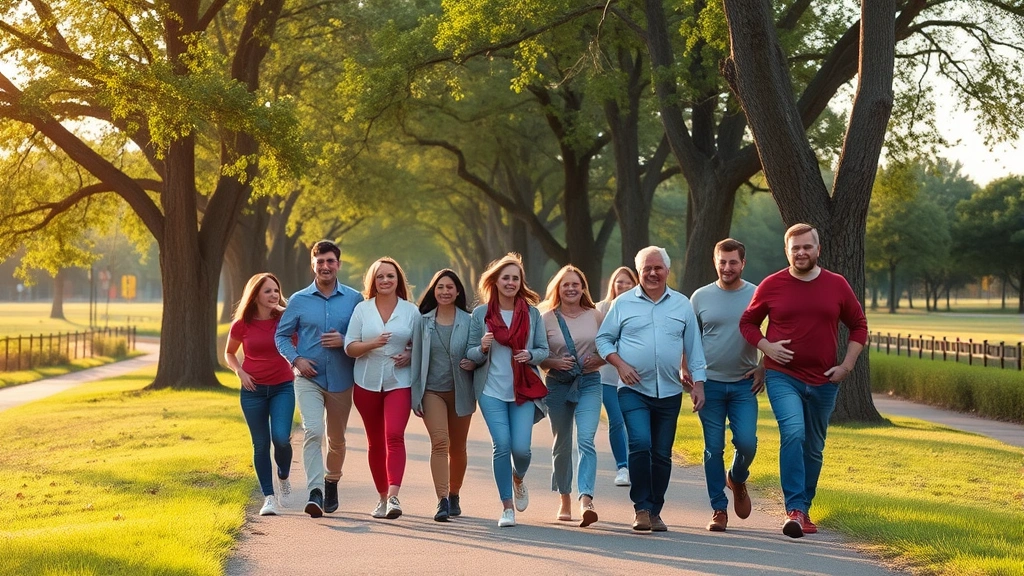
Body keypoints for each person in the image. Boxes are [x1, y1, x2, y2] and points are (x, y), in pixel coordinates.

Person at [739, 223, 868, 539]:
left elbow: (859, 326)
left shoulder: (836, 285)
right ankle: (794, 509)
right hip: (783, 376)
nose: (801, 252)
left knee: (814, 447)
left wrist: (846, 366)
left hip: (825, 380)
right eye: (795, 247)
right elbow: (748, 323)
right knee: (794, 433)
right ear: (787, 251)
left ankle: (805, 509)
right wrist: (766, 346)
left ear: (817, 249)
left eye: (807, 246)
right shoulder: (772, 285)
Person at [596, 246, 707, 533]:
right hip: (633, 389)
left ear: (668, 271)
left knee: (661, 453)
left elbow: (694, 349)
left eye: (658, 268)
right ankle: (641, 508)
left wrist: (699, 385)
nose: (653, 273)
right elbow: (604, 340)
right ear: (639, 272)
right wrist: (620, 365)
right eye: (647, 268)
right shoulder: (622, 304)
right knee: (641, 443)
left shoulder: (682, 304)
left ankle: (655, 510)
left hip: (670, 392)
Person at [276, 240, 362, 518]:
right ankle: (315, 491)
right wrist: (296, 360)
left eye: (330, 261)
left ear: (338, 264)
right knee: (313, 431)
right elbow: (281, 336)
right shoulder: (299, 300)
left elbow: (363, 336)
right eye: (320, 261)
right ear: (312, 265)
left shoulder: (354, 299)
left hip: (341, 379)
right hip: (308, 378)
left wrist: (345, 340)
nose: (325, 266)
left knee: (336, 440)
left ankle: (331, 480)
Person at [466, 253, 549, 528]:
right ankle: (507, 507)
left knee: (521, 450)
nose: (511, 282)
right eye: (506, 278)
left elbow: (543, 350)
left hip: (522, 389)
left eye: (515, 278)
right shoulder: (481, 314)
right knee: (501, 445)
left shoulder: (532, 313)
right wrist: (483, 347)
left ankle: (518, 478)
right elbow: (470, 352)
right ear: (495, 281)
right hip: (491, 390)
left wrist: (531, 355)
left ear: (520, 282)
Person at [690, 239, 764, 532]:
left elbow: (778, 331)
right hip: (710, 385)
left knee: (747, 442)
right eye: (722, 261)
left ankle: (737, 476)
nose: (727, 267)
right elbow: (689, 341)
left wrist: (764, 367)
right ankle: (718, 509)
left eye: (733, 262)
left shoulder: (757, 294)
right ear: (715, 261)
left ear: (743, 263)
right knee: (713, 448)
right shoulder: (700, 297)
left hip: (745, 384)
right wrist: (692, 378)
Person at [345, 257, 419, 520]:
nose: (385, 281)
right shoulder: (362, 310)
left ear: (398, 280)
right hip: (366, 382)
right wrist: (373, 344)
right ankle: (381, 497)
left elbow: (420, 345)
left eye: (390, 276)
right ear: (373, 282)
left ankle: (394, 496)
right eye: (380, 277)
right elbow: (350, 346)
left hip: (399, 382)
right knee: (375, 442)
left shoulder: (410, 311)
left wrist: (409, 355)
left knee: (394, 435)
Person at [224, 273, 295, 517]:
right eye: (268, 291)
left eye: (276, 290)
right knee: (261, 444)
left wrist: (287, 313)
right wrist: (240, 372)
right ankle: (269, 497)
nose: (274, 295)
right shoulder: (242, 324)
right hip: (253, 391)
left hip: (282, 387)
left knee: (281, 438)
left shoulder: (285, 319)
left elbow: (300, 343)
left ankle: (283, 475)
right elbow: (230, 354)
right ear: (255, 295)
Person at [539, 265, 605, 527]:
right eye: (566, 284)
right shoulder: (545, 319)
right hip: (557, 386)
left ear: (582, 288)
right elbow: (537, 354)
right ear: (558, 288)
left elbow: (609, 349)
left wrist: (596, 361)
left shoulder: (595, 315)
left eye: (576, 284)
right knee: (562, 444)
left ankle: (586, 498)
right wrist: (554, 362)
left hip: (589, 382)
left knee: (587, 439)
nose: (571, 288)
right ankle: (564, 498)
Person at [410, 269, 476, 522]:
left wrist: (473, 360)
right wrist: (415, 395)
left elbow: (478, 353)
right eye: (440, 287)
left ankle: (455, 493)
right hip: (431, 392)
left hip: (461, 392)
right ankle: (442, 500)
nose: (445, 291)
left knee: (458, 448)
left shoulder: (469, 321)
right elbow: (416, 359)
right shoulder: (422, 321)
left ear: (458, 291)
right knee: (440, 443)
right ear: (433, 291)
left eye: (450, 287)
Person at [595, 266, 638, 488]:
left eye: (627, 282)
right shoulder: (601, 308)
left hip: (633, 376)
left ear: (635, 284)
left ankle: (635, 464)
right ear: (612, 284)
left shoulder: (640, 307)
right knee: (617, 420)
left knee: (633, 422)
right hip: (608, 377)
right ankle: (622, 467)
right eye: (619, 282)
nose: (622, 286)